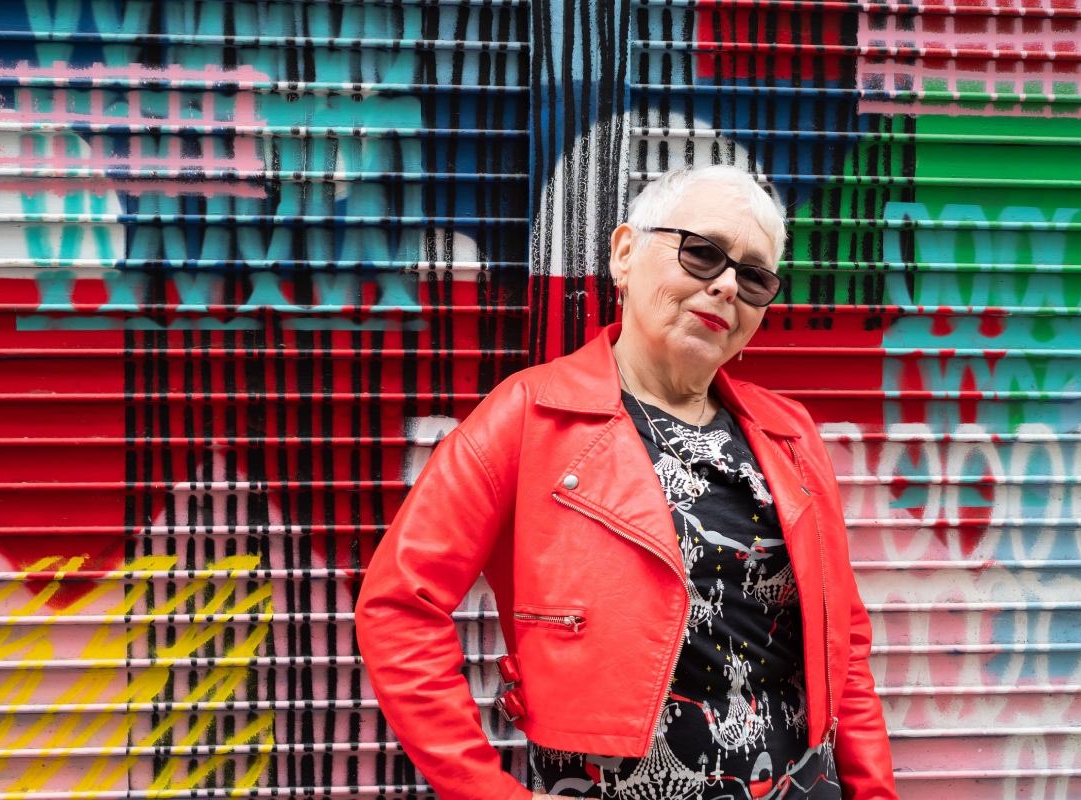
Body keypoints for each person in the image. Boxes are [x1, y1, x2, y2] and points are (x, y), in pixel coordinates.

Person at [354, 164, 898, 799]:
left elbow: (845, 643)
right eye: (701, 253)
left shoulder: (790, 433)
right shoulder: (530, 415)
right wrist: (482, 790)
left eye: (753, 277)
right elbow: (399, 607)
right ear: (625, 254)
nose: (726, 286)